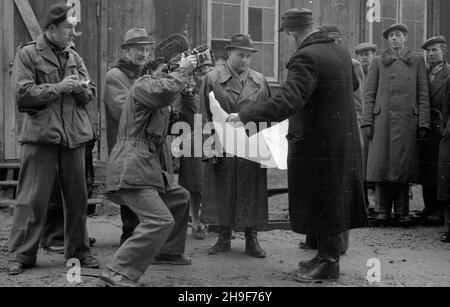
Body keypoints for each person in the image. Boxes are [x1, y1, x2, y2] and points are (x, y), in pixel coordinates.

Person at [227, 8, 367, 283]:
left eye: (288, 36)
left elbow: (288, 102)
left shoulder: (305, 57)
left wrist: (245, 115)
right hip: (343, 141)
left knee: (322, 200)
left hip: (318, 145)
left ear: (292, 32)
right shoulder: (339, 51)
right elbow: (351, 84)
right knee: (331, 199)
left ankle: (328, 264)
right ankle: (324, 256)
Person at [6, 2, 99, 275]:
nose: (73, 33)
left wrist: (82, 89)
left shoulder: (74, 56)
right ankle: (21, 255)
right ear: (51, 28)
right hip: (41, 137)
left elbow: (90, 91)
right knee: (31, 198)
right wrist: (58, 88)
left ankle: (79, 252)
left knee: (77, 197)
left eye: (74, 27)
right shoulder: (28, 54)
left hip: (74, 137)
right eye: (69, 27)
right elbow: (23, 94)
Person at [99, 47, 198, 287]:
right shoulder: (142, 85)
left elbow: (186, 120)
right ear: (151, 72)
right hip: (132, 164)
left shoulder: (157, 104)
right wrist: (183, 71)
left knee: (179, 197)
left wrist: (188, 94)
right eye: (164, 71)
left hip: (145, 165)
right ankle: (117, 271)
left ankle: (168, 252)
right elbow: (165, 92)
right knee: (158, 220)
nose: (168, 76)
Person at [200, 34, 271, 259]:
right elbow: (204, 116)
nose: (245, 60)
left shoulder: (260, 81)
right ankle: (223, 237)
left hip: (250, 145)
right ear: (229, 53)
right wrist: (209, 148)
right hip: (223, 142)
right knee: (223, 187)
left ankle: (252, 238)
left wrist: (265, 149)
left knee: (252, 190)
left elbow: (267, 116)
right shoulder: (212, 78)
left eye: (249, 56)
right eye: (241, 55)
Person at [361, 23, 431, 227]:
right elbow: (369, 94)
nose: (394, 39)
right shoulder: (377, 62)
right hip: (382, 120)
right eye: (391, 36)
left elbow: (423, 94)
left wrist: (423, 121)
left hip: (408, 121)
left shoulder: (417, 61)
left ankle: (402, 211)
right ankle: (382, 210)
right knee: (382, 164)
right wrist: (367, 120)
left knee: (402, 165)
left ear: (405, 38)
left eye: (398, 35)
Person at [103, 28, 154, 246]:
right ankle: (129, 236)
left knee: (146, 186)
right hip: (126, 141)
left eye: (146, 49)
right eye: (139, 49)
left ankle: (145, 238)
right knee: (130, 186)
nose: (143, 54)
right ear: (127, 51)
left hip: (147, 140)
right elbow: (124, 111)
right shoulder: (115, 76)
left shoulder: (145, 73)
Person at [418, 36, 450, 226]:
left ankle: (439, 210)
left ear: (443, 51)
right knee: (425, 164)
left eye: (435, 50)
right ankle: (428, 206)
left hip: (441, 123)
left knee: (440, 166)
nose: (431, 54)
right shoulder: (423, 72)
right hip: (425, 123)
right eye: (428, 51)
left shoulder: (448, 73)